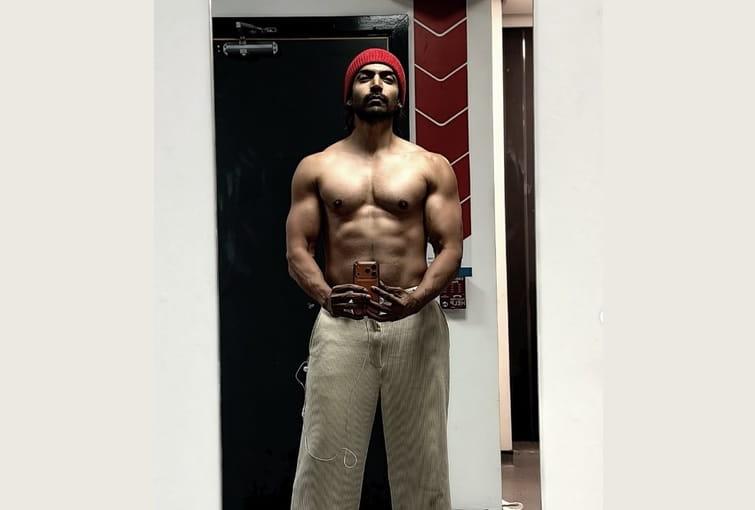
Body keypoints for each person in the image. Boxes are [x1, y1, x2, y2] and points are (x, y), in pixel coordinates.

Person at [285, 47, 462, 510]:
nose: (378, 84)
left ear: (401, 96)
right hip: (342, 322)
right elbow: (297, 250)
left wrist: (416, 300)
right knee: (325, 458)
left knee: (423, 457)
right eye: (366, 77)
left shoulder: (430, 166)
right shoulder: (317, 167)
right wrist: (327, 296)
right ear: (350, 95)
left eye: (388, 77)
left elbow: (450, 248)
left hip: (414, 319)